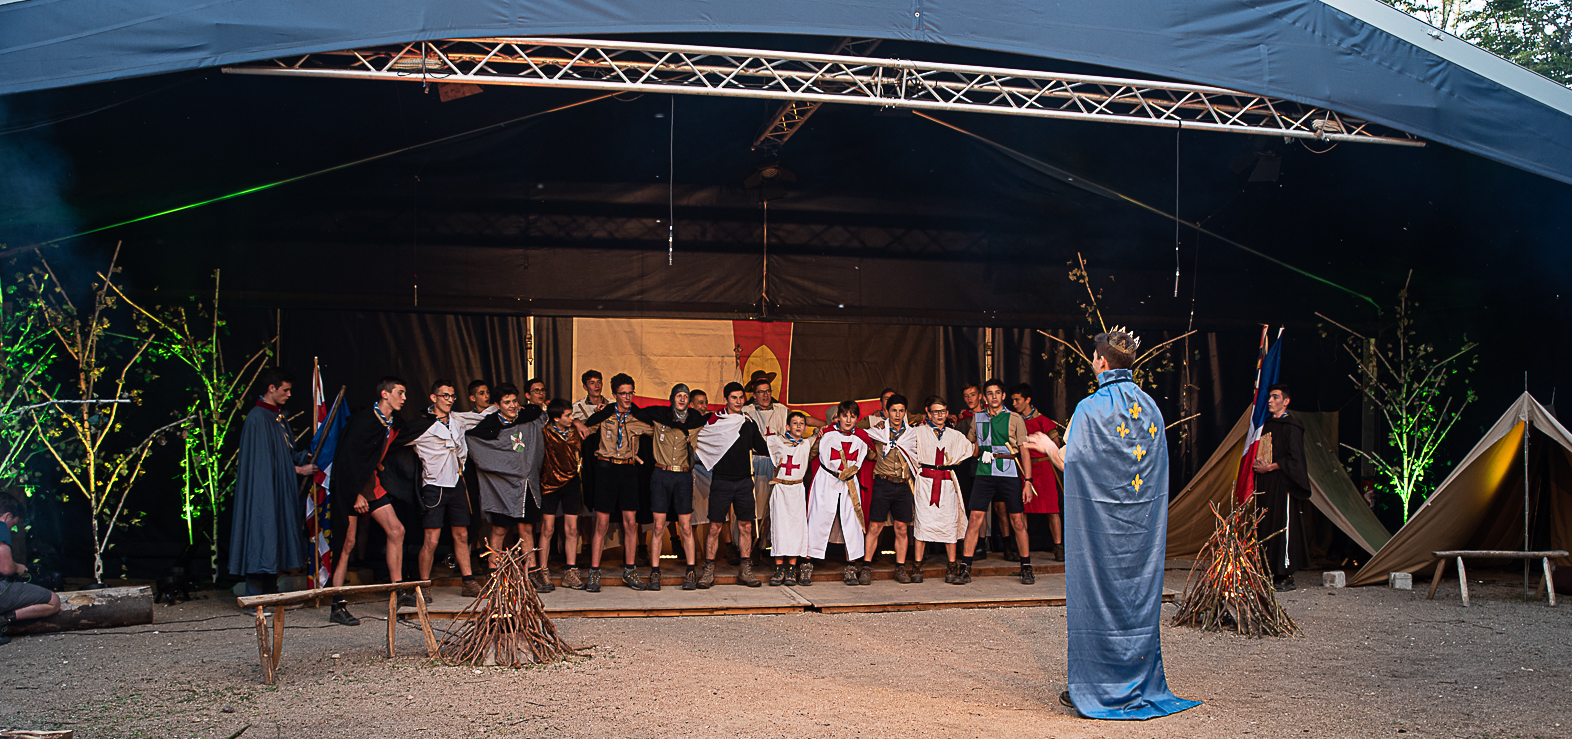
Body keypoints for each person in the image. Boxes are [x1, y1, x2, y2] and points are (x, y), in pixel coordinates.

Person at [1027, 327, 1200, 720]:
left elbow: (1074, 463)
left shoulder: (1091, 408)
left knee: (1095, 598)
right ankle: (1138, 682)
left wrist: (1050, 448)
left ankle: (1094, 686)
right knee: (1134, 598)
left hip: (1101, 527)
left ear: (1101, 362)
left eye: (1093, 355)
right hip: (1140, 526)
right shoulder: (1151, 407)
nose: (1092, 360)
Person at [327, 377, 427, 625]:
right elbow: (346, 461)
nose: (404, 398)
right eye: (400, 393)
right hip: (351, 487)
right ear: (385, 394)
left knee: (397, 530)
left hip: (372, 485)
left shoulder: (391, 422)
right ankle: (337, 605)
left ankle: (397, 589)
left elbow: (403, 433)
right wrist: (357, 493)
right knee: (346, 544)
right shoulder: (363, 422)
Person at [229, 368, 319, 596]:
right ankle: (254, 597)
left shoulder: (277, 416)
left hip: (278, 490)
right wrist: (298, 469)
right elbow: (262, 463)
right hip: (263, 492)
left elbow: (284, 453)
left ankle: (268, 596)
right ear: (272, 389)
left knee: (274, 537)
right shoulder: (258, 418)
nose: (289, 394)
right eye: (285, 390)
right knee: (262, 534)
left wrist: (304, 457)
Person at [466, 383, 553, 593]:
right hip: (502, 487)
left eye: (514, 401)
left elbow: (542, 418)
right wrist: (504, 466)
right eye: (507, 402)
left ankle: (530, 574)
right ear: (497, 405)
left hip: (526, 485)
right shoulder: (488, 427)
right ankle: (494, 575)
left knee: (526, 528)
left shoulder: (528, 419)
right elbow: (476, 447)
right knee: (499, 529)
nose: (513, 406)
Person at [411, 380, 493, 598]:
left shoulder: (457, 419)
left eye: (452, 396)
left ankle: (468, 582)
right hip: (434, 486)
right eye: (445, 396)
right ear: (433, 397)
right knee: (432, 538)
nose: (449, 400)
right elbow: (395, 441)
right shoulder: (422, 425)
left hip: (457, 483)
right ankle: (424, 585)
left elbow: (481, 417)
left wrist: (506, 409)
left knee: (462, 534)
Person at [626, 383, 709, 590]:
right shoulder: (659, 419)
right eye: (678, 395)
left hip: (682, 475)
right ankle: (655, 573)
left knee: (685, 526)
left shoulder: (694, 423)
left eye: (685, 396)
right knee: (659, 525)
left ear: (689, 402)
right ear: (672, 398)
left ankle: (690, 572)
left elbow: (715, 421)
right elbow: (633, 421)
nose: (682, 399)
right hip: (661, 474)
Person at [581, 373, 654, 592]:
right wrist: (576, 422)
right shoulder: (604, 415)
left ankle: (630, 570)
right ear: (614, 394)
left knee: (630, 522)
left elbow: (658, 432)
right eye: (623, 393)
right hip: (606, 468)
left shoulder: (638, 417)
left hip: (629, 469)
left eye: (631, 392)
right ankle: (594, 573)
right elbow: (585, 428)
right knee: (601, 523)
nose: (628, 397)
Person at [693, 382, 770, 588]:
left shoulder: (747, 422)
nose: (738, 401)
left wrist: (785, 445)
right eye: (734, 398)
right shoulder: (713, 421)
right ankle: (708, 572)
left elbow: (762, 447)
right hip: (721, 481)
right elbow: (698, 440)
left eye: (741, 398)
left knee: (745, 526)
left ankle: (745, 571)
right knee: (715, 527)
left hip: (744, 481)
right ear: (726, 399)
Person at [962, 379, 1037, 585]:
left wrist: (1028, 481)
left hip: (1008, 471)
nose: (993, 397)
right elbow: (970, 445)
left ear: (1003, 396)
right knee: (975, 518)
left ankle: (1026, 567)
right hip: (984, 471)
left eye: (997, 393)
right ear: (984, 397)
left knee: (1018, 521)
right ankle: (965, 567)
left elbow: (1024, 451)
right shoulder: (978, 418)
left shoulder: (1015, 419)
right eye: (989, 393)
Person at [898, 396, 974, 583]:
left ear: (947, 413)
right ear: (928, 413)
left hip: (947, 481)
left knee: (949, 524)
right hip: (925, 481)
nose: (939, 415)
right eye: (935, 412)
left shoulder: (955, 435)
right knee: (922, 523)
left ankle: (952, 566)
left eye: (942, 411)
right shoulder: (918, 432)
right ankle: (917, 566)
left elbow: (970, 449)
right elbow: (902, 446)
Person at [806, 401, 870, 586]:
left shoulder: (861, 436)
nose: (848, 420)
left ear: (857, 418)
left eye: (852, 416)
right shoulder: (826, 434)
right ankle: (807, 565)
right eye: (845, 416)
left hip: (849, 482)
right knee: (818, 519)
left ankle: (851, 568)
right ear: (838, 417)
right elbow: (811, 454)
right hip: (827, 480)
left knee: (853, 523)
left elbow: (872, 454)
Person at [1254, 384, 1311, 591]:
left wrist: (1271, 467)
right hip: (1266, 483)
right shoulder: (1267, 425)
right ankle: (1268, 569)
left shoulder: (1292, 427)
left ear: (1285, 401)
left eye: (1275, 397)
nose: (1270, 400)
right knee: (1266, 523)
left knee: (1282, 525)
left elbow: (1295, 459)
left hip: (1283, 483)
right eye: (1269, 397)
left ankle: (1285, 574)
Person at [861, 393, 915, 584]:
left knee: (901, 528)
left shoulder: (911, 434)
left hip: (903, 484)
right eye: (894, 410)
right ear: (886, 412)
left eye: (901, 411)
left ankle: (900, 567)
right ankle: (866, 567)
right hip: (883, 483)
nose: (897, 415)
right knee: (875, 526)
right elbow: (859, 435)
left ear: (906, 412)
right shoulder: (878, 432)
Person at [538, 399, 588, 590]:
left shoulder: (575, 430)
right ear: (556, 418)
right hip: (550, 483)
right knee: (548, 529)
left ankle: (571, 571)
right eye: (567, 415)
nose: (571, 418)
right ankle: (543, 570)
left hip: (572, 483)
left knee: (572, 529)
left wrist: (576, 422)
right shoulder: (545, 433)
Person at [1013, 383, 1065, 562]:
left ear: (1027, 400)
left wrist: (1041, 445)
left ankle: (1058, 546)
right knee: (1023, 508)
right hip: (1024, 468)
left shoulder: (1044, 421)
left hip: (1044, 468)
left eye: (1017, 400)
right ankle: (1023, 547)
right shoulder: (1014, 421)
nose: (1014, 403)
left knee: (1052, 509)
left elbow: (1056, 445)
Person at [0, 495, 61, 644]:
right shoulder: (1, 526)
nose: (12, 528)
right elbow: (6, 568)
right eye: (13, 523)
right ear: (7, 515)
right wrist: (18, 568)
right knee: (54, 600)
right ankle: (4, 620)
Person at [765, 411, 813, 585]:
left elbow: (824, 431)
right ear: (787, 426)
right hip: (781, 488)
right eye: (795, 423)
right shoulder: (777, 442)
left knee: (795, 529)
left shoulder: (807, 443)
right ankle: (779, 569)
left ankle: (792, 570)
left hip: (797, 489)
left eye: (801, 423)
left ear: (805, 427)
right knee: (779, 528)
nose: (798, 426)